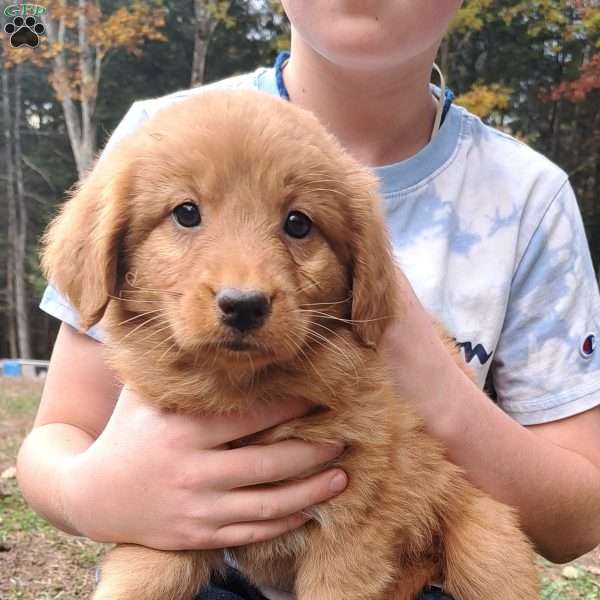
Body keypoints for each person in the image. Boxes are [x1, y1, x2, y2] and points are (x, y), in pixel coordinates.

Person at [17, 2, 600, 599]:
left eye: (298, 226)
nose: (243, 286)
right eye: (185, 215)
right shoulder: (157, 132)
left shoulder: (530, 199)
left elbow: (579, 516)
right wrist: (93, 495)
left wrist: (440, 389)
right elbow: (60, 431)